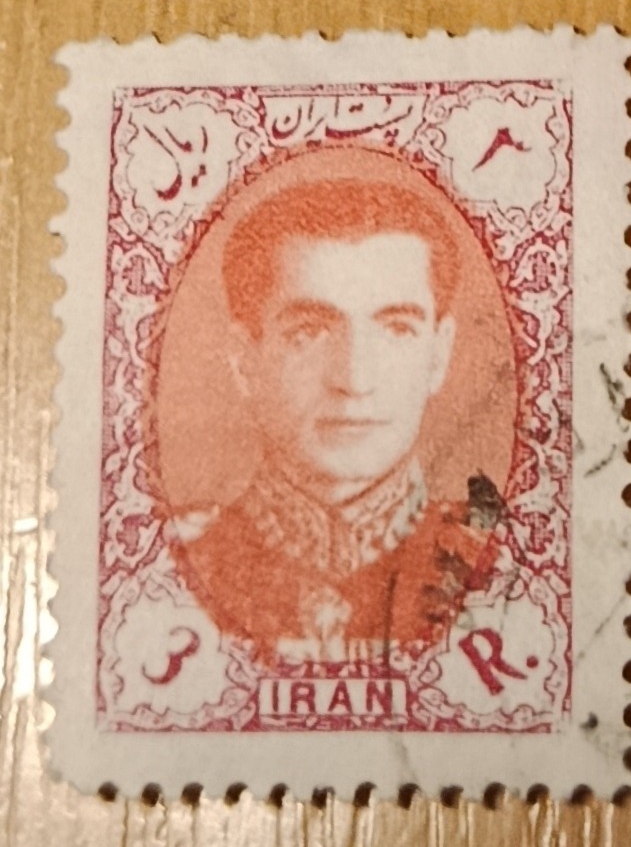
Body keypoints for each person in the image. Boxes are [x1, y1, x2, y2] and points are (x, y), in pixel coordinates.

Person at [171, 176, 500, 664]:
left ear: (439, 355)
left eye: (396, 329)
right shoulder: (178, 559)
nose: (354, 380)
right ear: (245, 362)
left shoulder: (502, 556)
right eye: (309, 332)